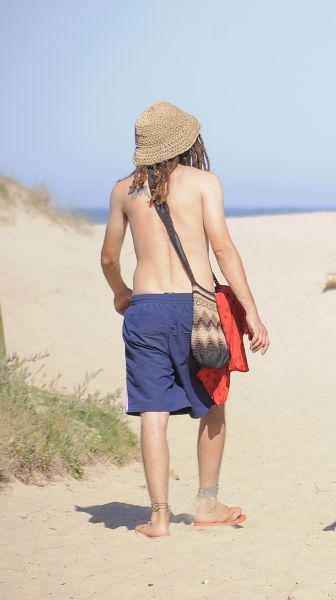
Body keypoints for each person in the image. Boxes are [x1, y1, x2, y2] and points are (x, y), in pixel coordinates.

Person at [100, 101, 270, 538]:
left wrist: (121, 293)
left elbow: (108, 257)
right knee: (213, 401)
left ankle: (158, 517)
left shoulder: (123, 191)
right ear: (186, 141)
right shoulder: (203, 183)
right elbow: (224, 248)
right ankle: (207, 502)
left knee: (152, 412)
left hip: (147, 308)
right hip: (198, 308)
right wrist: (251, 310)